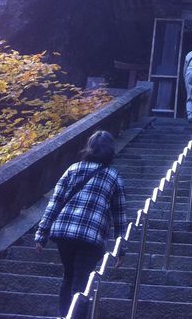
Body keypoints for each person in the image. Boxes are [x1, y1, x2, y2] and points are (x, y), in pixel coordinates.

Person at [35, 130, 127, 319]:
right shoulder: (113, 176)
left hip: (64, 232)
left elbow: (55, 202)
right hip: (91, 237)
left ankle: (64, 315)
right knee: (82, 281)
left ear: (89, 148)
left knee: (69, 276)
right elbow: (120, 215)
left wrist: (41, 234)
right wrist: (121, 249)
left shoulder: (73, 169)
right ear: (110, 150)